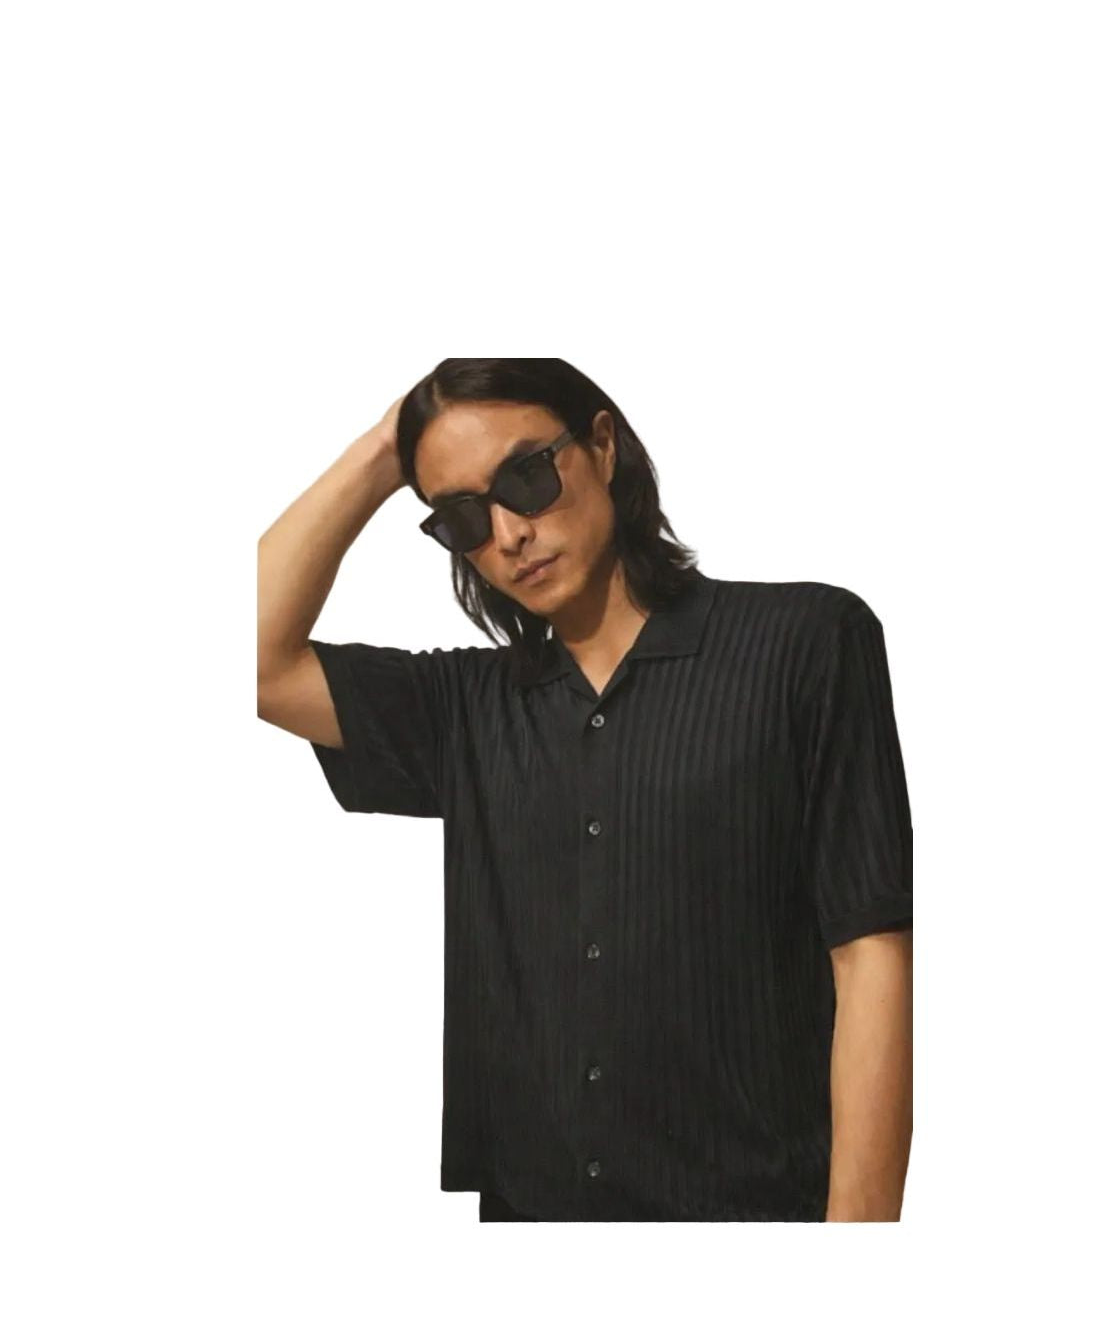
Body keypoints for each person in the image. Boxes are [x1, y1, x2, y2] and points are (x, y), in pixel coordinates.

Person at [257, 358, 913, 1223]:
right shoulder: (464, 708)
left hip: (758, 1214)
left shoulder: (804, 643)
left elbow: (869, 951)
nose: (507, 534)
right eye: (462, 517)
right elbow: (250, 660)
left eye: (525, 478)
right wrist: (387, 446)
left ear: (602, 445)